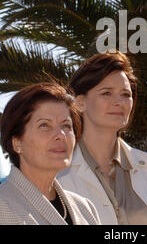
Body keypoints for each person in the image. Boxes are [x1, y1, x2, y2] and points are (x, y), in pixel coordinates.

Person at [57, 52, 147, 225]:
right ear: (79, 102)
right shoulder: (56, 174)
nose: (119, 102)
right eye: (106, 93)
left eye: (126, 94)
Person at [0, 83, 101, 225]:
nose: (61, 135)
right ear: (17, 143)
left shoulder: (85, 208)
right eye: (44, 125)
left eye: (66, 125)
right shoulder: (3, 206)